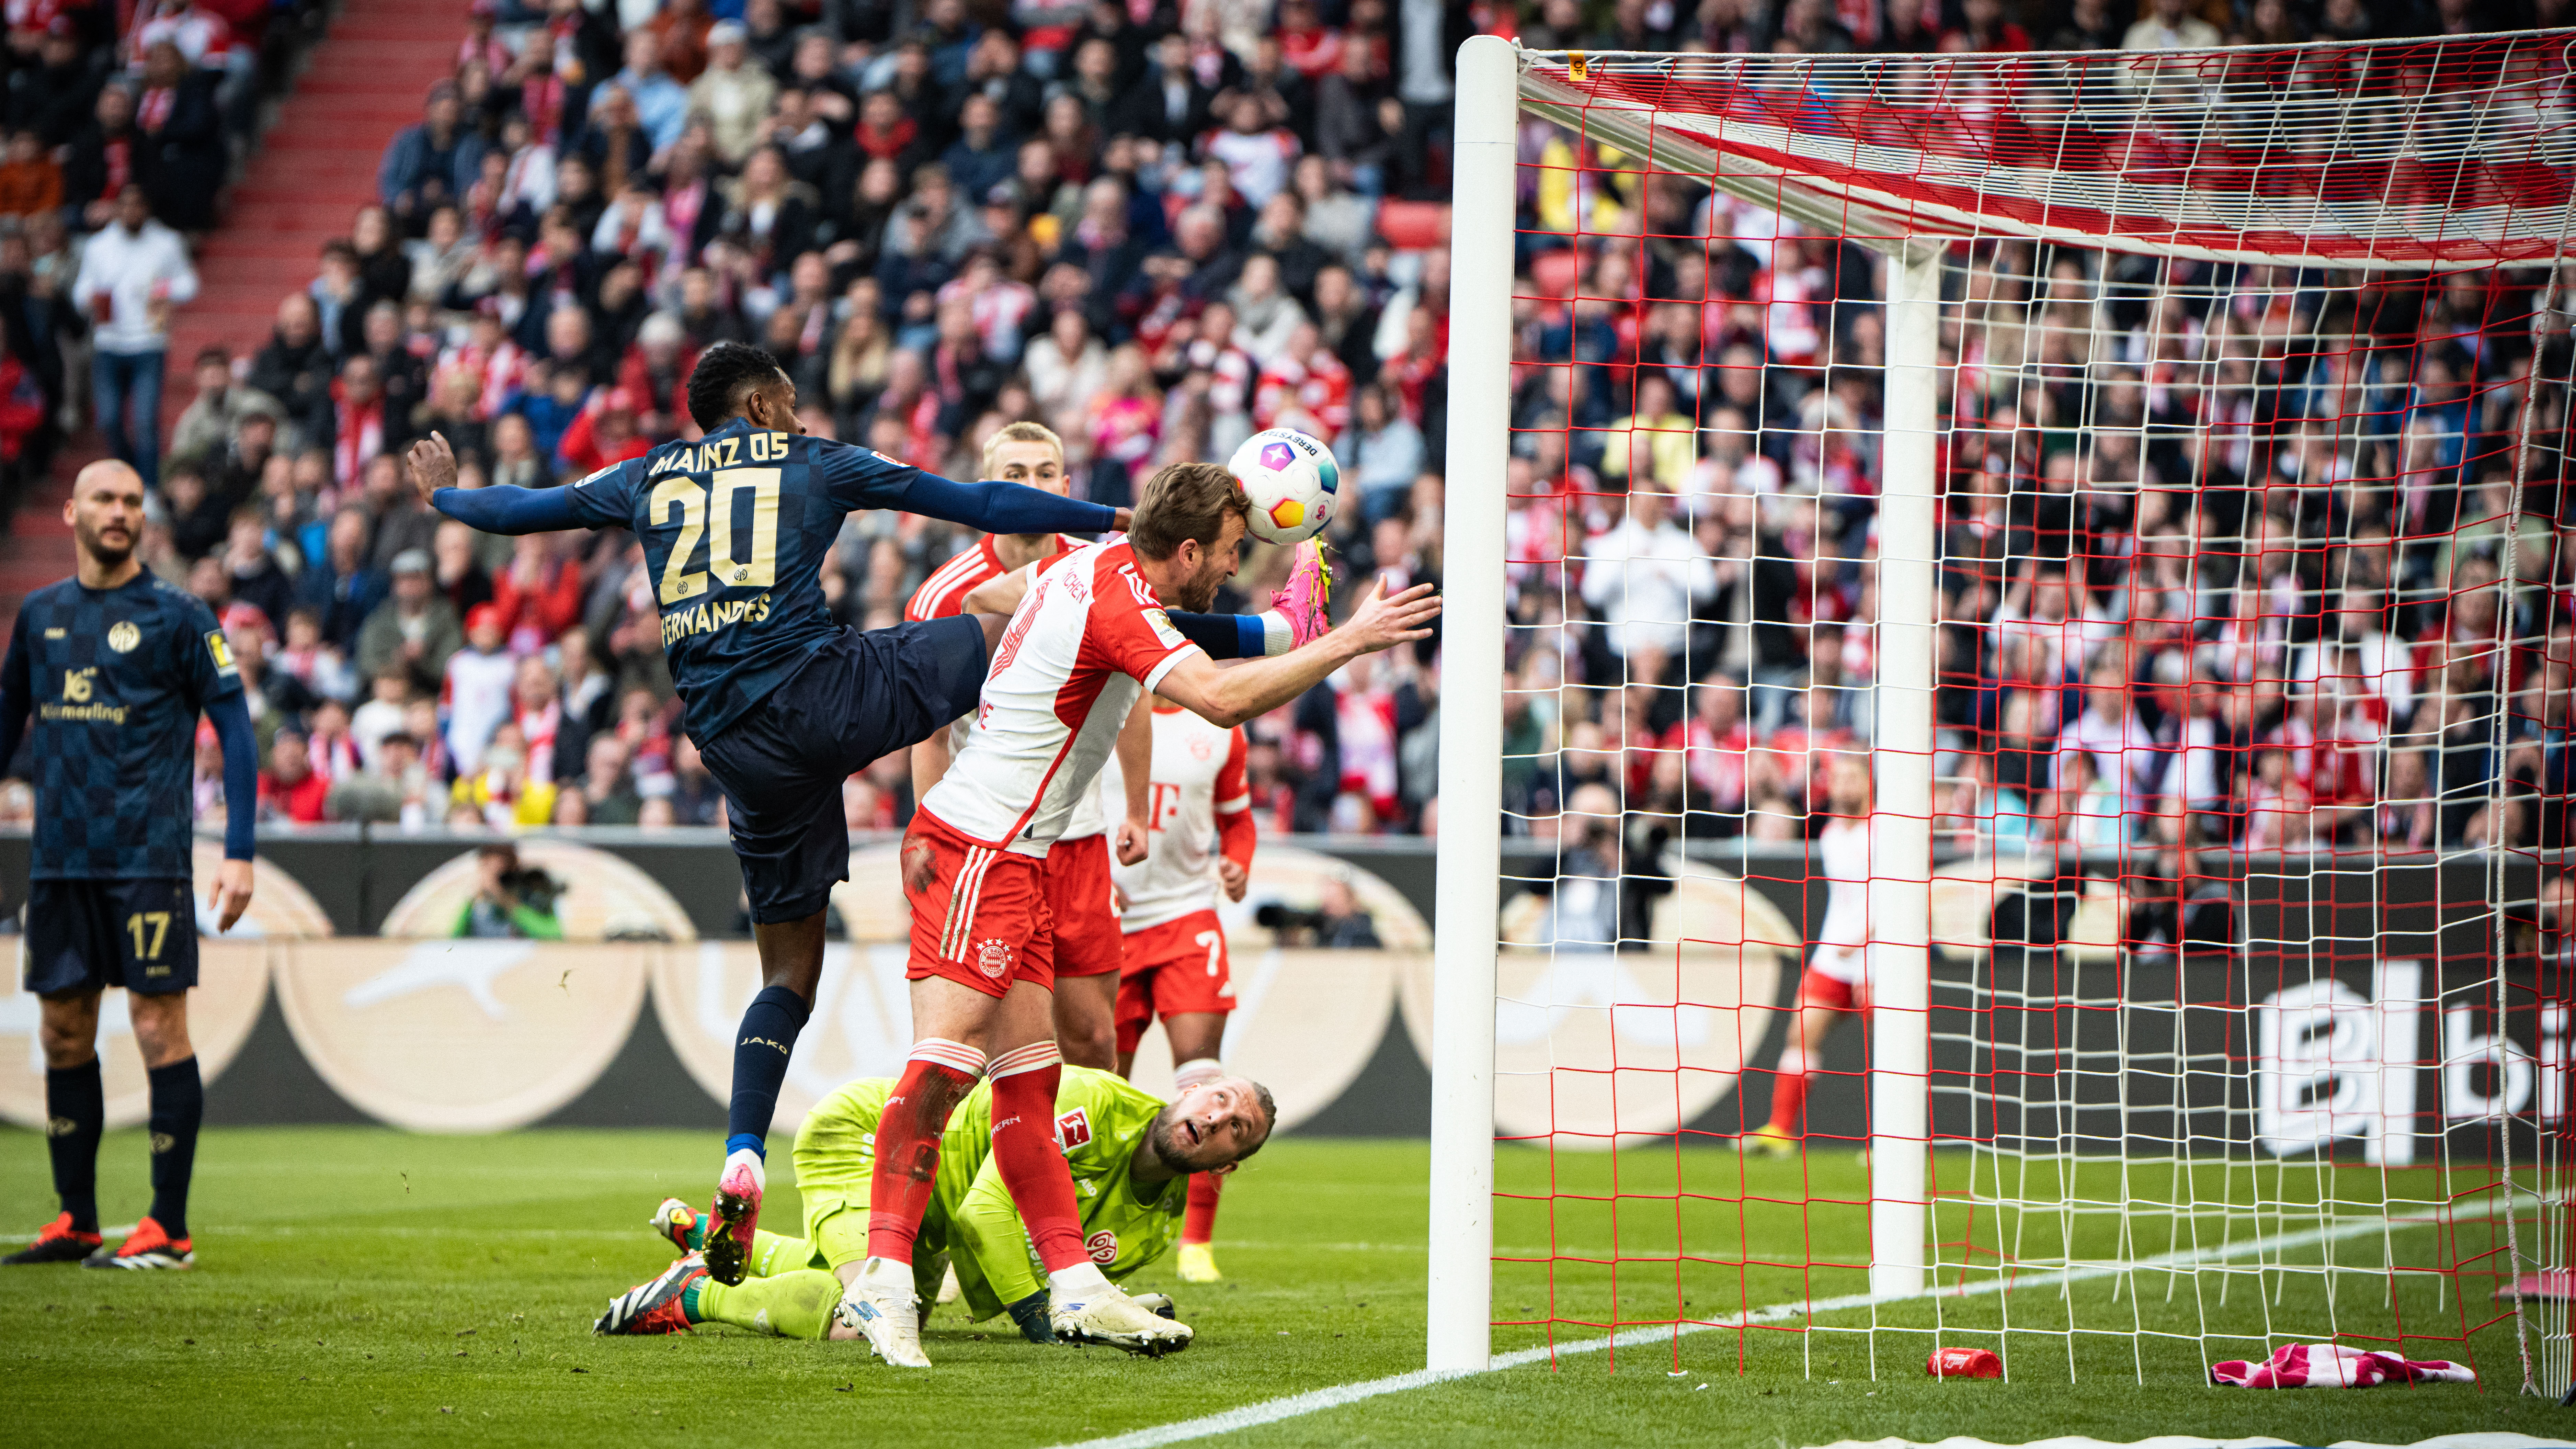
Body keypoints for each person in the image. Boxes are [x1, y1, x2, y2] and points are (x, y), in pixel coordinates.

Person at [410, 342, 1300, 1296]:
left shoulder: (645, 473)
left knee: (788, 971)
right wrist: (1117, 523)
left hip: (730, 742)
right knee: (1030, 609)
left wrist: (448, 500)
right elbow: (984, 506)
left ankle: (744, 1148)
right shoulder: (812, 461)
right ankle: (1268, 631)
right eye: (787, 402)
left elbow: (520, 511)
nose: (796, 416)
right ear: (758, 402)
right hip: (823, 692)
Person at [844, 461, 1438, 1367]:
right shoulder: (1118, 600)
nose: (1233, 566)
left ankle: (1076, 1286)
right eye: (1231, 551)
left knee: (1030, 1084)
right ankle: (881, 1282)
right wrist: (1346, 642)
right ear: (1191, 546)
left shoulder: (1096, 563)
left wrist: (1282, 622)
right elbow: (1221, 698)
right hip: (982, 844)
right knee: (940, 1068)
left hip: (1023, 851)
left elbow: (1023, 593)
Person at [0, 459, 259, 1270]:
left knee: (156, 1024)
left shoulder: (178, 615)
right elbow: (7, 725)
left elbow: (238, 730)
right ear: (71, 510)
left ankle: (167, 1227)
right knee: (63, 1028)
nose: (121, 513)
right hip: (60, 863)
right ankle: (76, 1217)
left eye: (133, 502)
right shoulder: (39, 616)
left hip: (148, 859)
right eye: (106, 500)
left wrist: (242, 851)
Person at [594, 1065, 1273, 1347]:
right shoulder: (1092, 1101)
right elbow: (988, 1211)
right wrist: (1042, 1320)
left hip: (932, 1219)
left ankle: (702, 1235)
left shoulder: (1152, 1226)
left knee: (859, 1278)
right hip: (876, 1145)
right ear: (1190, 1091)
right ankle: (696, 1292)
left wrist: (1092, 1310)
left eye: (1235, 1128)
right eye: (1217, 1102)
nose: (1217, 1121)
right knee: (866, 1319)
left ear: (1228, 1165)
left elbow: (1041, 1262)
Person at [1106, 695, 1255, 1284]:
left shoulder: (1219, 727)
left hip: (1187, 915)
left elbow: (1237, 818)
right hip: (1107, 917)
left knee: (1203, 1085)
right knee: (1099, 1085)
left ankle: (1196, 1240)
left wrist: (1238, 862)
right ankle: (1089, 1227)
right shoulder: (1103, 706)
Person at [1746, 752, 1873, 1155]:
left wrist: (1865, 939)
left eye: (1853, 777)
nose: (1844, 786)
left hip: (1880, 957)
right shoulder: (1831, 835)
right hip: (1833, 957)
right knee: (1801, 1032)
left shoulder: (1888, 831)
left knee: (1889, 1050)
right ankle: (1779, 1131)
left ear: (1869, 782)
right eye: (1838, 778)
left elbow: (1906, 894)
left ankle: (1891, 1140)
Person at [71, 185, 197, 489]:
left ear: (147, 208)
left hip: (149, 341)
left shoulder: (166, 242)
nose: (131, 212)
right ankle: (129, 474)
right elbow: (80, 290)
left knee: (145, 421)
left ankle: (149, 487)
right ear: (117, 209)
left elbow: (188, 283)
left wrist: (162, 291)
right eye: (125, 206)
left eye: (137, 206)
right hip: (109, 341)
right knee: (110, 419)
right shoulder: (99, 246)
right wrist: (90, 298)